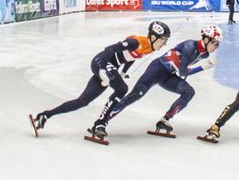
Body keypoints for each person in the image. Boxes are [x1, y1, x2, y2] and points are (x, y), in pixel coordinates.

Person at [31, 21, 170, 134]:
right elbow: (109, 50)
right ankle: (100, 124)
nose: (164, 44)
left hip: (110, 67)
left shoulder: (150, 48)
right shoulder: (137, 42)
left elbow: (132, 57)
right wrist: (103, 69)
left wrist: (122, 73)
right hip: (101, 62)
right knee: (122, 88)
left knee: (82, 101)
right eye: (163, 40)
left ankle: (45, 115)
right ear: (153, 37)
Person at [89, 24, 220, 140]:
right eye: (215, 43)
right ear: (206, 39)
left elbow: (181, 71)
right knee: (134, 96)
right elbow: (183, 73)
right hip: (157, 69)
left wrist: (203, 65)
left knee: (189, 92)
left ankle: (165, 120)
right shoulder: (189, 47)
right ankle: (101, 123)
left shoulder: (204, 54)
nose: (216, 47)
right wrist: (203, 67)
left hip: (168, 75)